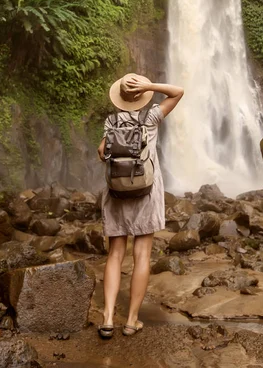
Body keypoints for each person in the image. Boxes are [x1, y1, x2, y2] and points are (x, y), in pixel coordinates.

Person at [97, 73, 183, 338]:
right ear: (142, 96)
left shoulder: (111, 121)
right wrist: (150, 86)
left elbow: (102, 152)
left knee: (115, 255)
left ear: (120, 99)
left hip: (117, 194)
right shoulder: (152, 117)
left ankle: (108, 318)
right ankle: (132, 321)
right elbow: (178, 91)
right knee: (142, 255)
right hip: (146, 192)